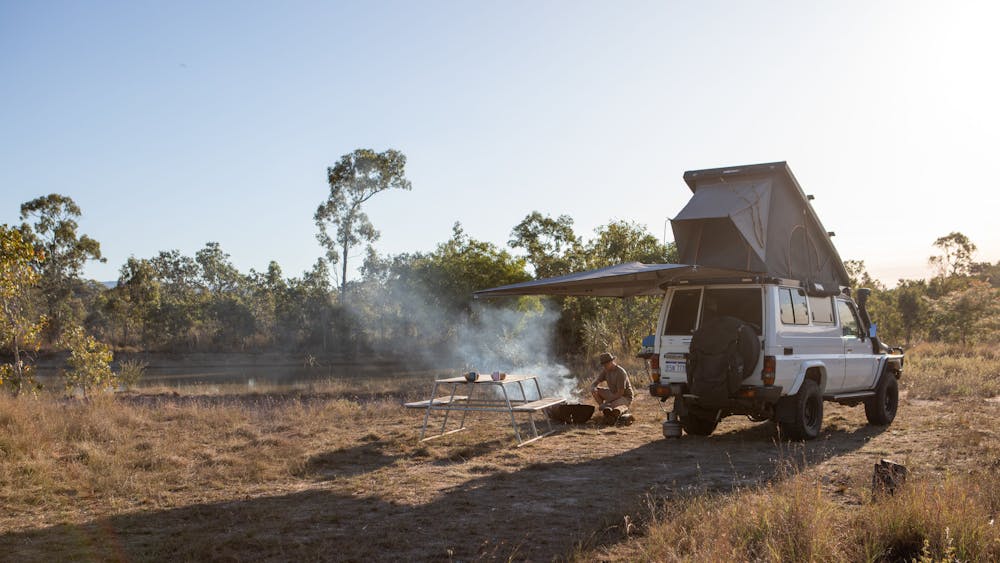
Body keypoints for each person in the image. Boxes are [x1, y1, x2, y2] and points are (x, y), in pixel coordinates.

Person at [590, 352, 634, 423]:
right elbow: (595, 382)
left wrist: (607, 402)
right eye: (603, 364)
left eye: (606, 364)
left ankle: (613, 411)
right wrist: (593, 387)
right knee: (595, 391)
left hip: (624, 397)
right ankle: (605, 410)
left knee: (612, 407)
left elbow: (620, 393)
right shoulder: (606, 371)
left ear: (612, 361)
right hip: (613, 394)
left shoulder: (620, 372)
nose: (605, 366)